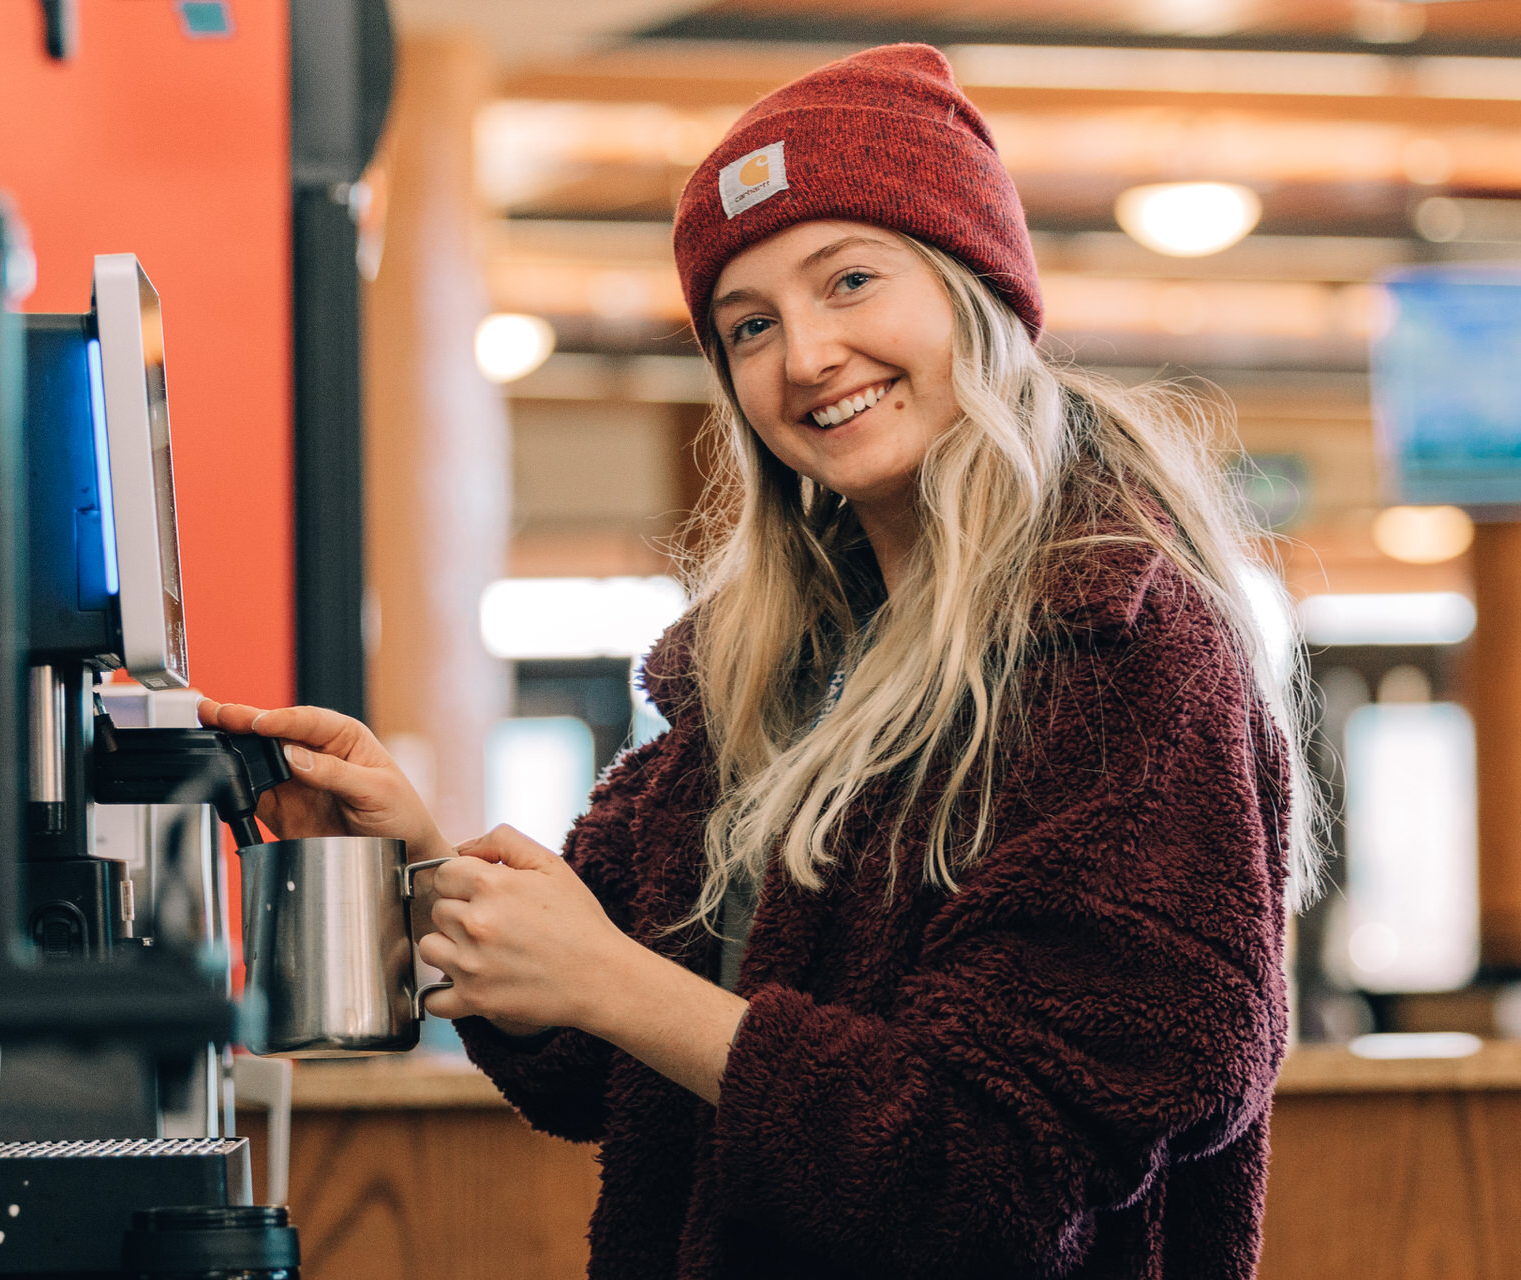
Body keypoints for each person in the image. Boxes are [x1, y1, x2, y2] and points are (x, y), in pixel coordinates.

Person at [200, 43, 1319, 1280]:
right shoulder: (763, 674)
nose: (806, 356)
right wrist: (414, 858)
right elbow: (598, 1063)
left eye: (849, 279)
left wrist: (615, 983)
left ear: (974, 283)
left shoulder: (1127, 651)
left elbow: (994, 1180)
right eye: (750, 325)